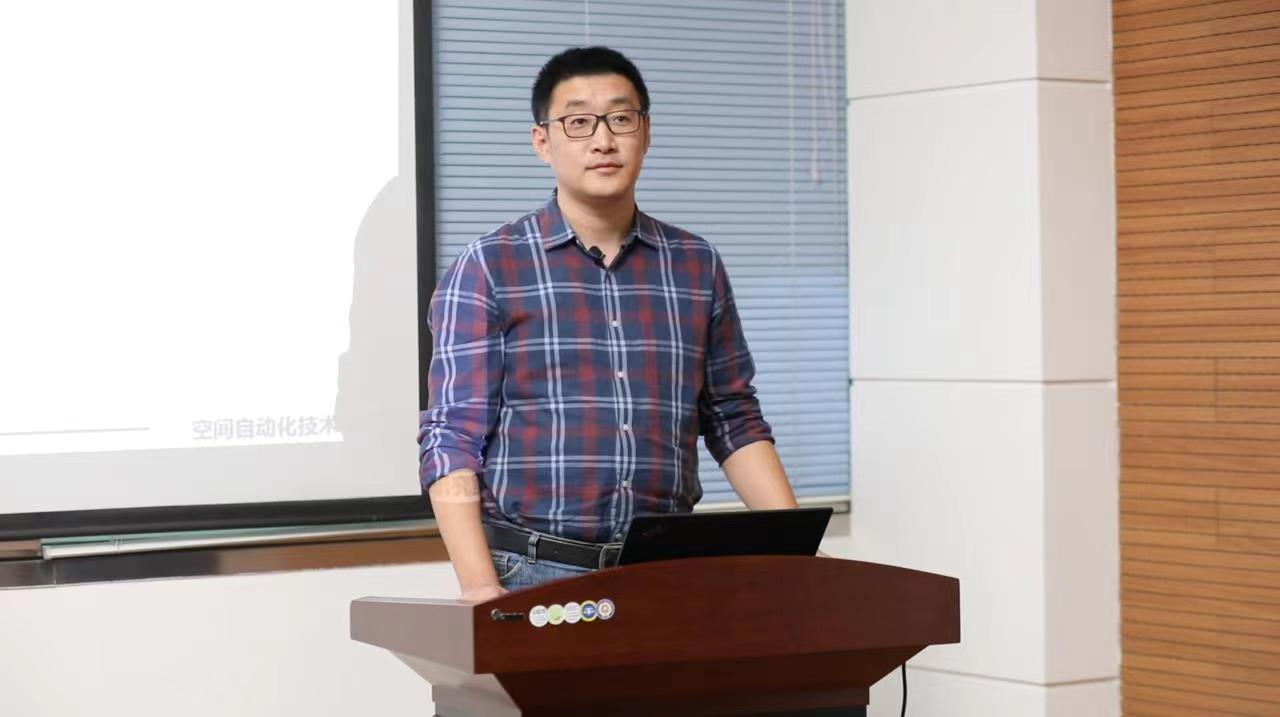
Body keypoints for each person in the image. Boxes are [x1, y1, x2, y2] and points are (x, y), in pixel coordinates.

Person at [419, 46, 801, 602]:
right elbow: (452, 437)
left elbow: (733, 419)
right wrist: (480, 588)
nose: (603, 140)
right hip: (531, 571)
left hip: (664, 572)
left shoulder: (696, 265)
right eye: (578, 123)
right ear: (542, 142)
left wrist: (797, 555)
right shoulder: (489, 267)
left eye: (621, 118)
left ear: (646, 133)